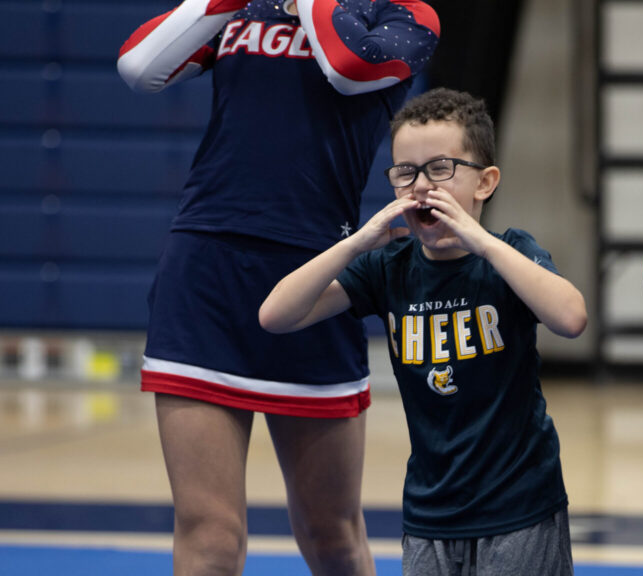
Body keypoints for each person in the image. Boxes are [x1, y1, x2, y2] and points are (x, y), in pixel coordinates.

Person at [116, 0, 439, 574]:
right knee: (209, 534)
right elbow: (140, 66)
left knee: (332, 534)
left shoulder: (405, 17)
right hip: (206, 275)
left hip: (317, 283)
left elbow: (347, 65)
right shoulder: (248, 10)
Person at [260, 87, 585, 576]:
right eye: (405, 173)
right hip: (430, 515)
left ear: (485, 181)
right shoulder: (386, 268)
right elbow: (276, 314)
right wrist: (357, 243)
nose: (421, 187)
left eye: (440, 169)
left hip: (519, 507)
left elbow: (571, 317)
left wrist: (483, 243)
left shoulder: (510, 252)